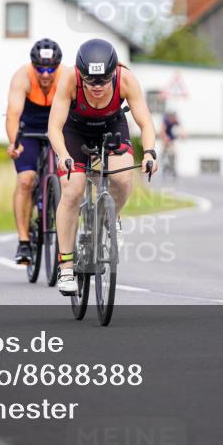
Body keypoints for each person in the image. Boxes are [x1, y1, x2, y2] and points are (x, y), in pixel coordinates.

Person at [47, 38, 158, 295]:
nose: (97, 87)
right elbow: (54, 127)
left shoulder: (126, 79)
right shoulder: (69, 79)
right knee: (72, 190)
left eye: (103, 81)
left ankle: (109, 218)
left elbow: (146, 123)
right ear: (81, 75)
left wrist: (151, 153)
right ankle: (66, 268)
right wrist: (63, 154)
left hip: (111, 125)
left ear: (113, 73)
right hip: (75, 131)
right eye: (90, 81)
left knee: (122, 179)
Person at [5, 39, 63, 264]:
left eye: (51, 69)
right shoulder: (22, 77)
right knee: (26, 180)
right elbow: (12, 114)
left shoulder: (66, 77)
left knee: (68, 180)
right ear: (33, 65)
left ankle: (64, 240)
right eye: (40, 68)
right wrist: (14, 142)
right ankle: (24, 242)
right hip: (28, 129)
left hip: (57, 128)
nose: (46, 74)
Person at [160, 111, 181, 177]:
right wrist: (165, 139)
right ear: (170, 118)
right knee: (164, 151)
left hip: (171, 136)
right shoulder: (166, 121)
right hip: (165, 136)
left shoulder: (175, 121)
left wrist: (183, 134)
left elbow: (181, 129)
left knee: (173, 152)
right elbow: (162, 132)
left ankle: (172, 164)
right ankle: (164, 164)